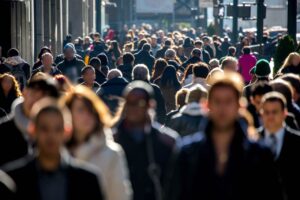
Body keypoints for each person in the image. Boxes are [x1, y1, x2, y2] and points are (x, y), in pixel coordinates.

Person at [166, 72, 283, 200]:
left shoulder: (259, 154)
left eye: (228, 101)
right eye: (217, 101)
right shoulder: (188, 153)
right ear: (207, 105)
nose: (223, 108)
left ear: (240, 106)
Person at [2, 98, 104, 200]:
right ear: (33, 130)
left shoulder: (88, 181)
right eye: (44, 128)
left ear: (67, 132)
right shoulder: (11, 180)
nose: (51, 136)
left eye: (58, 129)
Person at [64, 86, 132, 200]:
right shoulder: (58, 150)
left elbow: (120, 196)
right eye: (81, 110)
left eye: (90, 110)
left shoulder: (112, 154)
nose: (87, 115)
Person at [114, 81, 178, 200]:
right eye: (130, 103)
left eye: (140, 103)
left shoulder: (167, 142)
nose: (134, 107)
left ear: (150, 105)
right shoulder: (112, 141)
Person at [0, 76, 60, 166]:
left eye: (43, 97)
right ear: (24, 92)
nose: (35, 101)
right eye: (33, 94)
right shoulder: (3, 130)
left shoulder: (58, 134)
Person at [258, 91, 300, 200]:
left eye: (274, 112)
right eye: (266, 112)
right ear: (261, 114)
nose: (270, 116)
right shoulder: (252, 140)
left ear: (284, 113)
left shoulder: (297, 141)